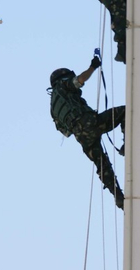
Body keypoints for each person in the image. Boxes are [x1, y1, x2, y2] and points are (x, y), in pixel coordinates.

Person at [49, 56, 125, 210]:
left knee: (102, 166)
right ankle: (127, 145)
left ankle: (118, 196)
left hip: (81, 137)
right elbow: (80, 80)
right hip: (90, 122)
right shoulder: (63, 86)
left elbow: (65, 132)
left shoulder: (53, 107)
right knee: (124, 112)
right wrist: (93, 67)